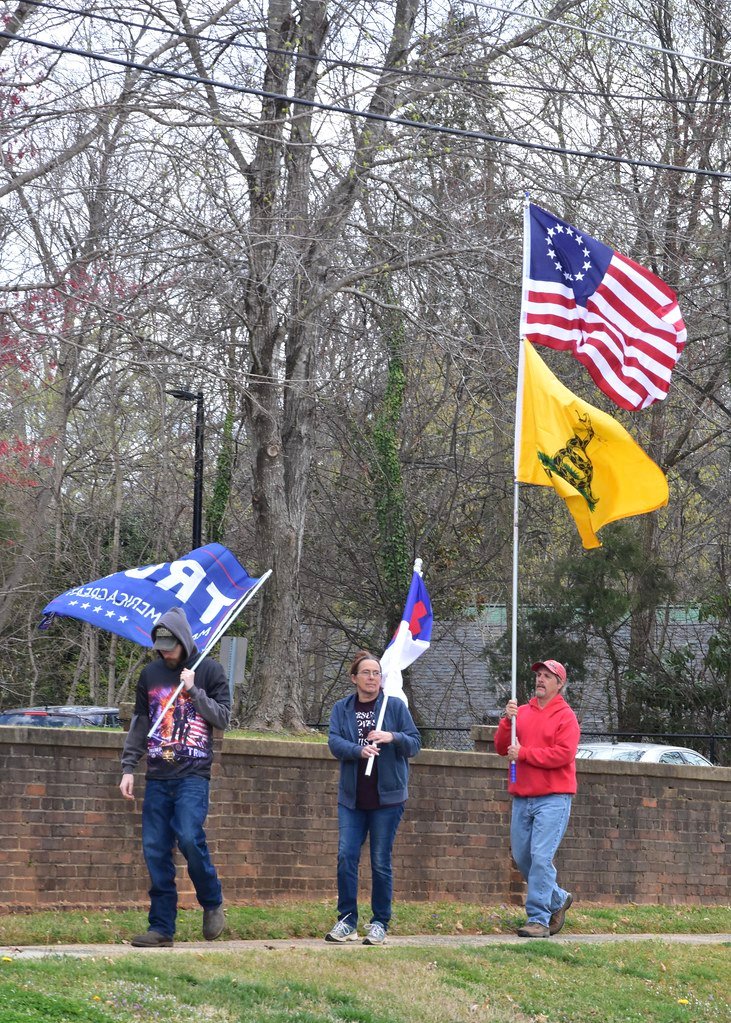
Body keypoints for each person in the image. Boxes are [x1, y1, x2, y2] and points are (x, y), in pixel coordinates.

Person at [120, 606, 230, 947]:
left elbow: (223, 718)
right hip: (157, 775)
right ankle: (162, 927)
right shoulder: (150, 674)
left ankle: (212, 901)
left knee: (189, 836)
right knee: (155, 850)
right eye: (161, 648)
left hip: (193, 775)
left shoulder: (209, 670)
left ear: (184, 641)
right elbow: (140, 722)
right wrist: (128, 767)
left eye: (171, 647)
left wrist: (194, 690)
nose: (166, 653)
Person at [325, 649, 421, 945]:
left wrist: (392, 736)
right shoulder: (342, 709)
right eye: (366, 672)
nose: (372, 677)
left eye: (376, 673)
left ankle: (380, 922)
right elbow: (334, 742)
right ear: (354, 678)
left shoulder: (393, 707)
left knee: (380, 861)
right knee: (346, 856)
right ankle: (347, 921)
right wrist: (358, 750)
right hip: (352, 799)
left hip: (387, 799)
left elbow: (414, 743)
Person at [494, 658, 580, 938]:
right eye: (539, 675)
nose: (540, 679)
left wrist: (525, 754)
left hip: (553, 798)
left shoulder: (566, 716)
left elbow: (563, 754)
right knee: (522, 857)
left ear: (559, 684)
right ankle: (558, 898)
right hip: (523, 797)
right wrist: (507, 721)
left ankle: (539, 919)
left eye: (547, 676)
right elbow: (501, 747)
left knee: (541, 857)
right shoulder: (521, 712)